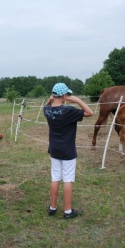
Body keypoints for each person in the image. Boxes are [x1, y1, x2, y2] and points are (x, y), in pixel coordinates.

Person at [44, 83, 93, 219]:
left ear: (53, 95)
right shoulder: (69, 111)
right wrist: (77, 100)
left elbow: (47, 104)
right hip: (68, 151)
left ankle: (52, 207)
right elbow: (90, 113)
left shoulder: (47, 110)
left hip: (54, 150)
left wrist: (50, 99)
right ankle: (67, 211)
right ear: (65, 96)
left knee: (55, 177)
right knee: (68, 179)